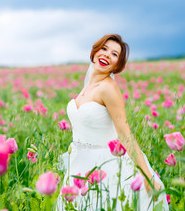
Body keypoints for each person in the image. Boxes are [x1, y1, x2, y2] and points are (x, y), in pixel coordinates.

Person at [57, 34, 169, 210]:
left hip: (105, 167)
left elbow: (125, 134)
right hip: (79, 163)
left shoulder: (109, 88)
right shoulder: (87, 87)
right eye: (104, 49)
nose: (107, 55)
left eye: (115, 54)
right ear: (94, 52)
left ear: (118, 65)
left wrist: (147, 177)